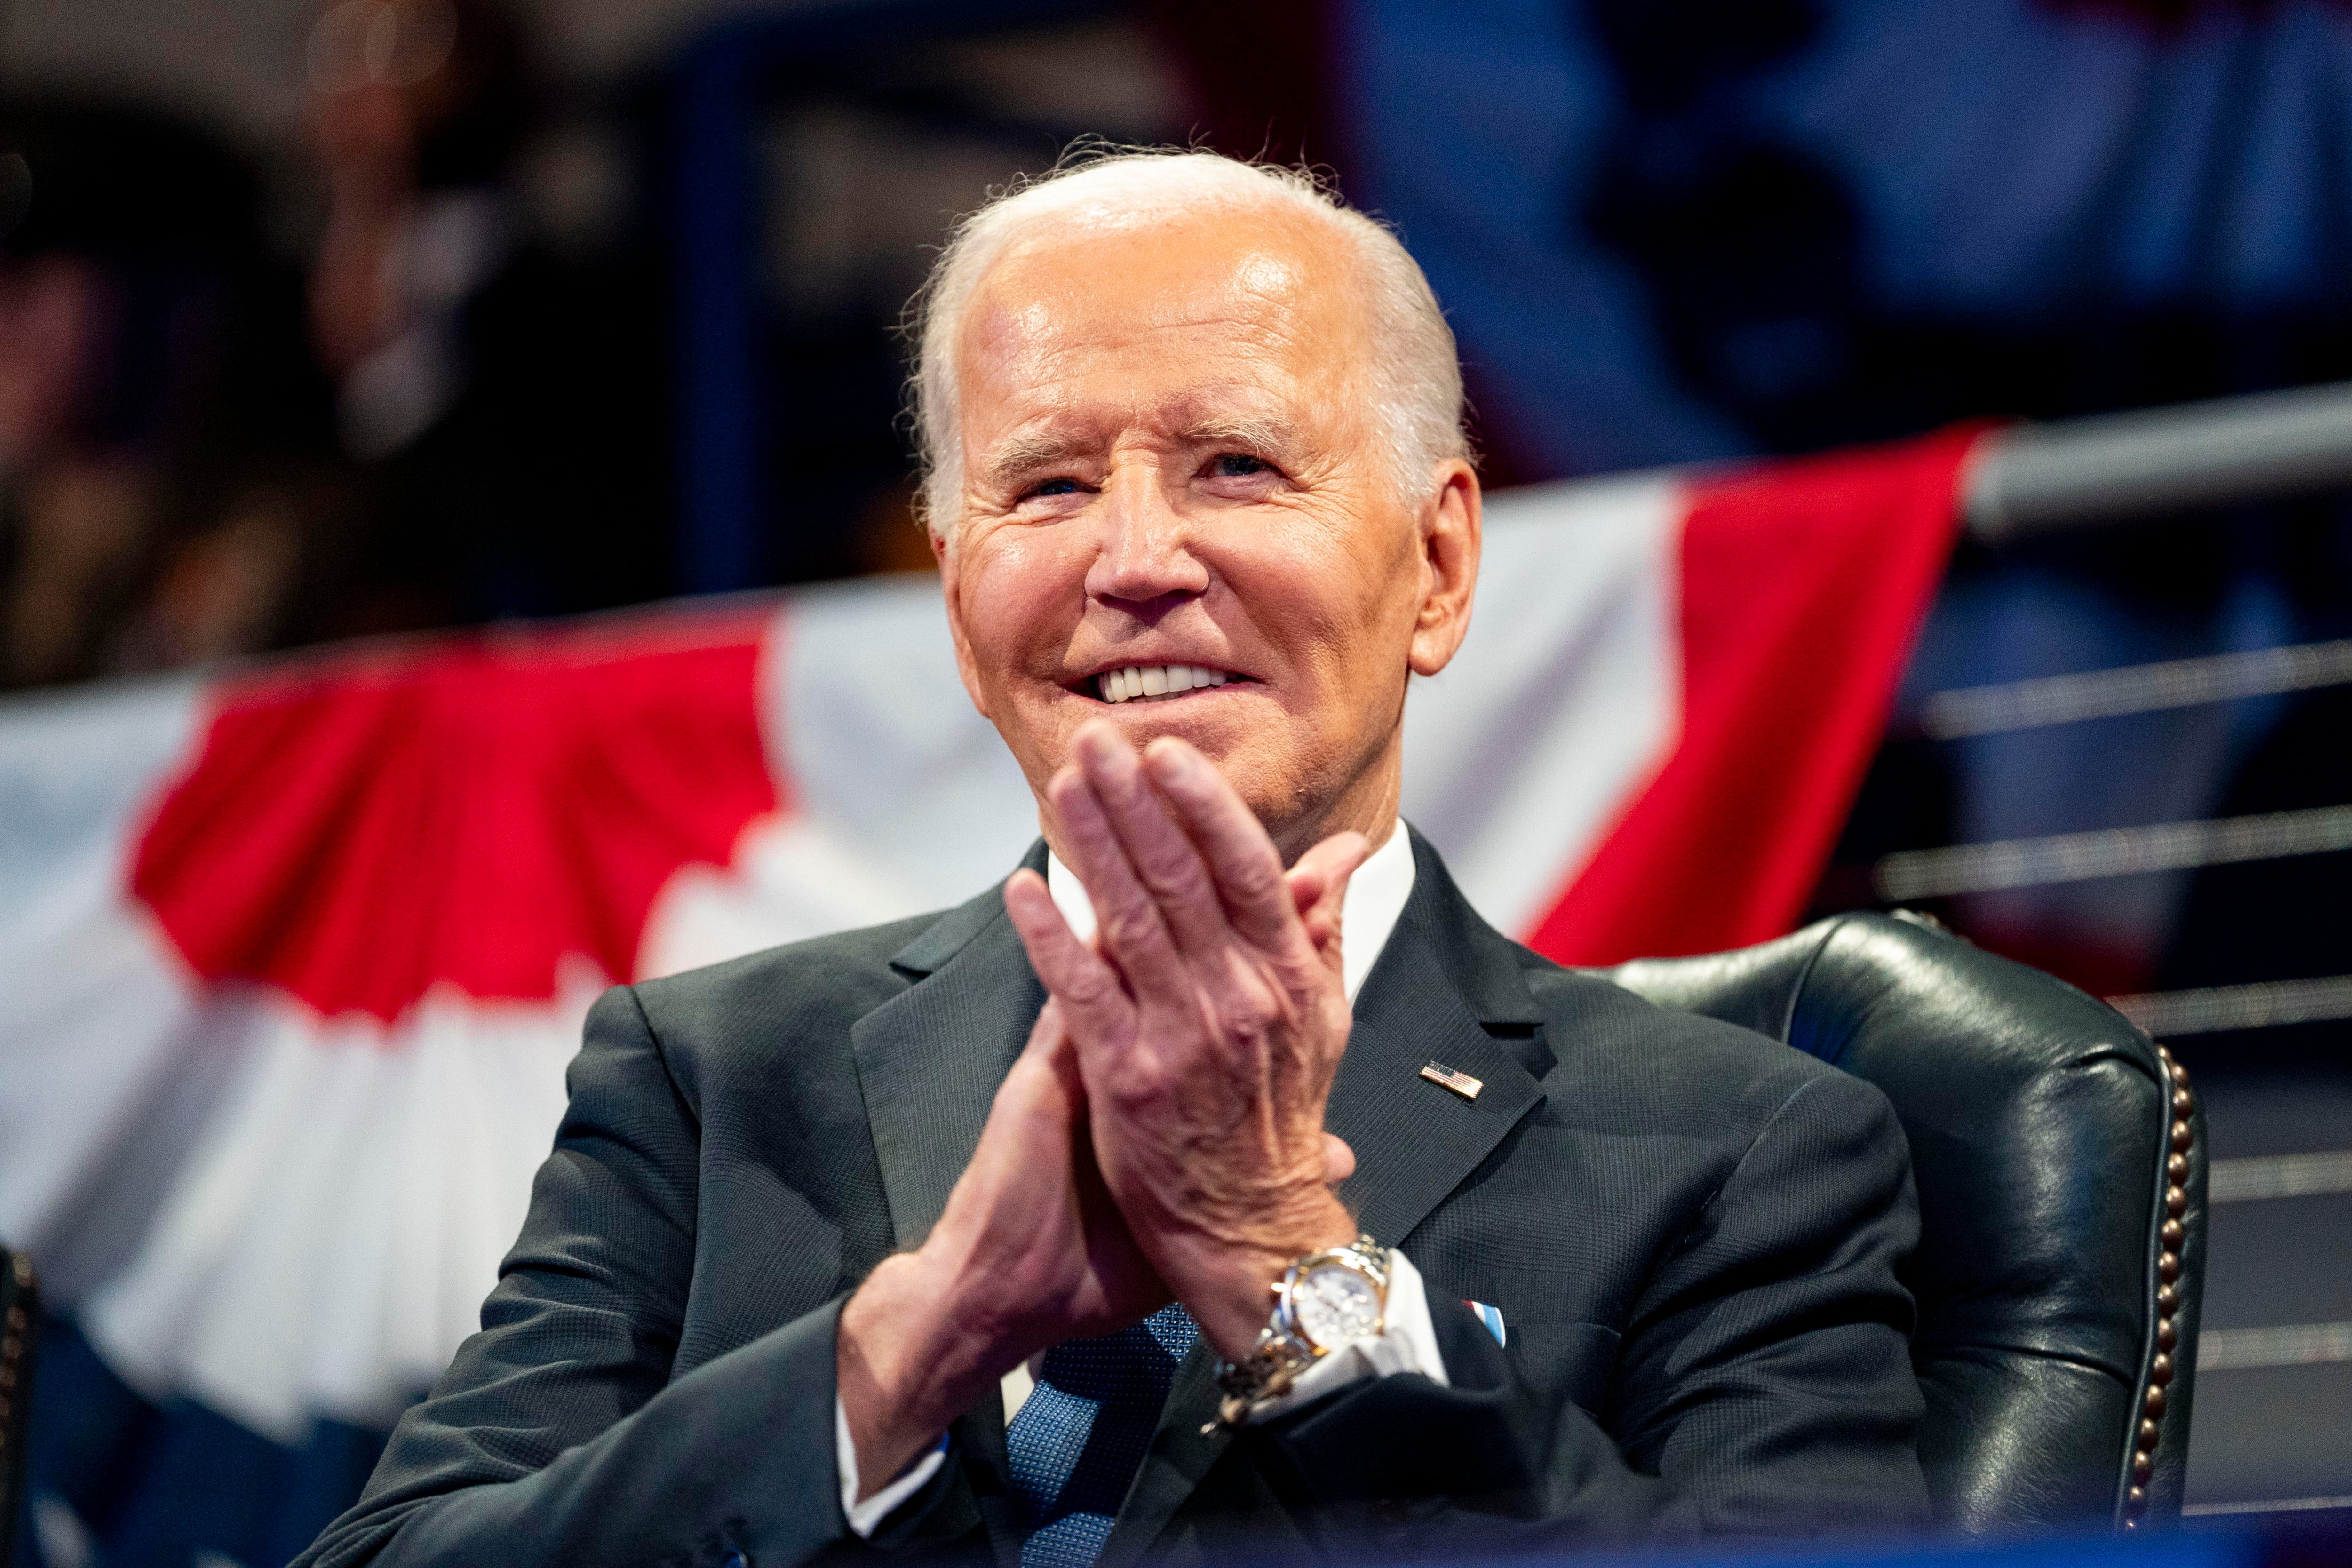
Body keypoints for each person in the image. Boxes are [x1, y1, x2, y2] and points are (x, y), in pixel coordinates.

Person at [295, 149, 1930, 1568]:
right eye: (1049, 485)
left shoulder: (1743, 1151)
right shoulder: (714, 1084)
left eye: (1236, 465)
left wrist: (1298, 1269)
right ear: (957, 598)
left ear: (1437, 565)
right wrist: (904, 1352)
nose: (1136, 562)